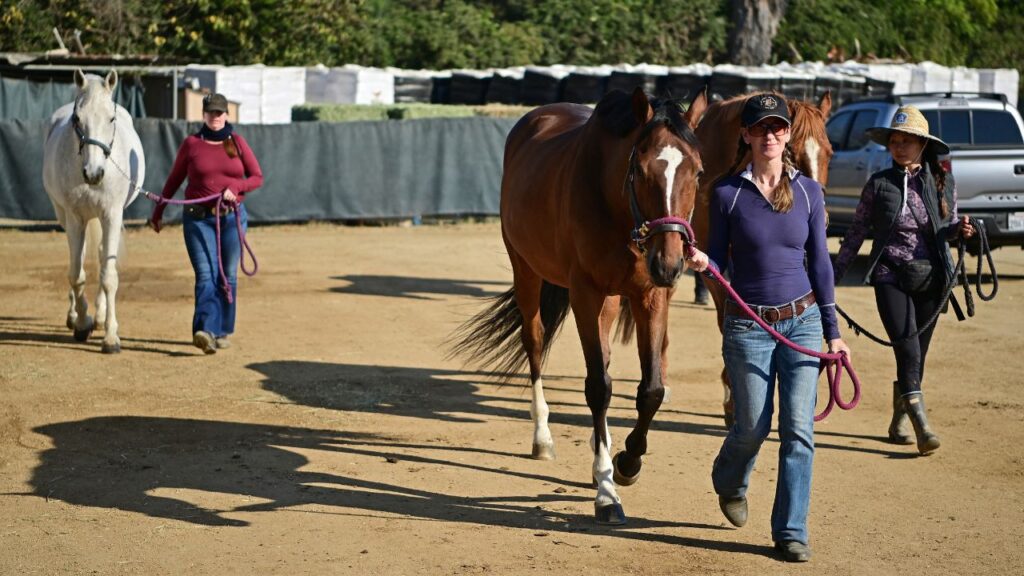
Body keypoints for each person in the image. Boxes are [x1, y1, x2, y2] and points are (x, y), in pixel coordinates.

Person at [685, 93, 850, 563]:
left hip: (802, 322)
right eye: (761, 128)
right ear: (746, 135)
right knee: (752, 426)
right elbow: (719, 258)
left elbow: (820, 265)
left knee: (798, 430)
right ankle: (730, 479)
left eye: (778, 128)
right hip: (748, 326)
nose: (771, 135)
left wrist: (832, 331)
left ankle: (791, 530)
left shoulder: (809, 194)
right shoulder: (726, 194)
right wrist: (702, 262)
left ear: (787, 135)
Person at [832, 106, 974, 455]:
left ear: (922, 144)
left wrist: (963, 230)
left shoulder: (943, 182)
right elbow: (856, 234)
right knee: (907, 347)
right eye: (894, 140)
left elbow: (948, 227)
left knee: (916, 357)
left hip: (932, 278)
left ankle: (899, 417)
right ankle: (922, 425)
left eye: (906, 140)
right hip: (889, 275)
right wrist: (830, 277)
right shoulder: (878, 185)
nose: (898, 146)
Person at [149, 93, 264, 354]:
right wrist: (159, 211)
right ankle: (205, 330)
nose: (216, 117)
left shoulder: (237, 142)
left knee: (228, 275)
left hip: (231, 219)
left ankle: (222, 328)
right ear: (204, 114)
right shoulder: (191, 145)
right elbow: (174, 180)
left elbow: (257, 177)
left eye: (220, 112)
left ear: (227, 114)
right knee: (206, 276)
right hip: (198, 220)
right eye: (211, 112)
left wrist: (237, 186)